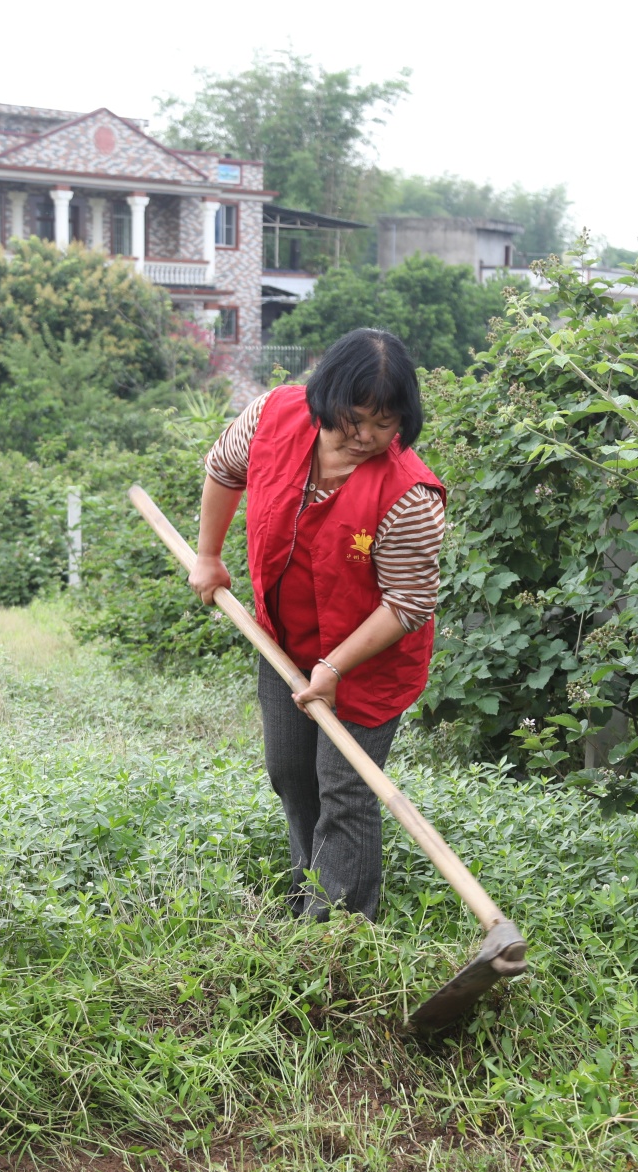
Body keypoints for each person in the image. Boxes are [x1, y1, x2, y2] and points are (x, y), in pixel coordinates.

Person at [188, 329, 446, 922]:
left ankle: (341, 932)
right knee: (289, 773)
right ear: (325, 398)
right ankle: (313, 894)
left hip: (368, 663)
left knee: (345, 789)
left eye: (384, 424)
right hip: (284, 641)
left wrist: (333, 668)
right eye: (352, 420)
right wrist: (209, 555)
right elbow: (224, 469)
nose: (365, 437)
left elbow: (409, 601)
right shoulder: (272, 417)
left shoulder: (410, 495)